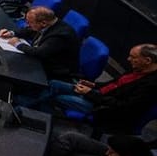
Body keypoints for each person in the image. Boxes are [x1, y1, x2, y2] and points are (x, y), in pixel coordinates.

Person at [25, 42, 157, 131]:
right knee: (54, 84)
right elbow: (114, 84)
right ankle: (31, 106)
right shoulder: (138, 68)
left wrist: (90, 93)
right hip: (96, 94)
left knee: (56, 97)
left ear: (147, 61)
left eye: (133, 57)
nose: (128, 60)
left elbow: (123, 106)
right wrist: (93, 85)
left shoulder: (150, 85)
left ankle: (35, 121)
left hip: (104, 109)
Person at [0, 5, 82, 86]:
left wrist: (18, 44)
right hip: (43, 62)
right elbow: (30, 30)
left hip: (55, 71)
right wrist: (12, 33)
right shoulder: (50, 23)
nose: (27, 25)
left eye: (30, 22)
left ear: (43, 23)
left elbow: (39, 53)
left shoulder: (60, 36)